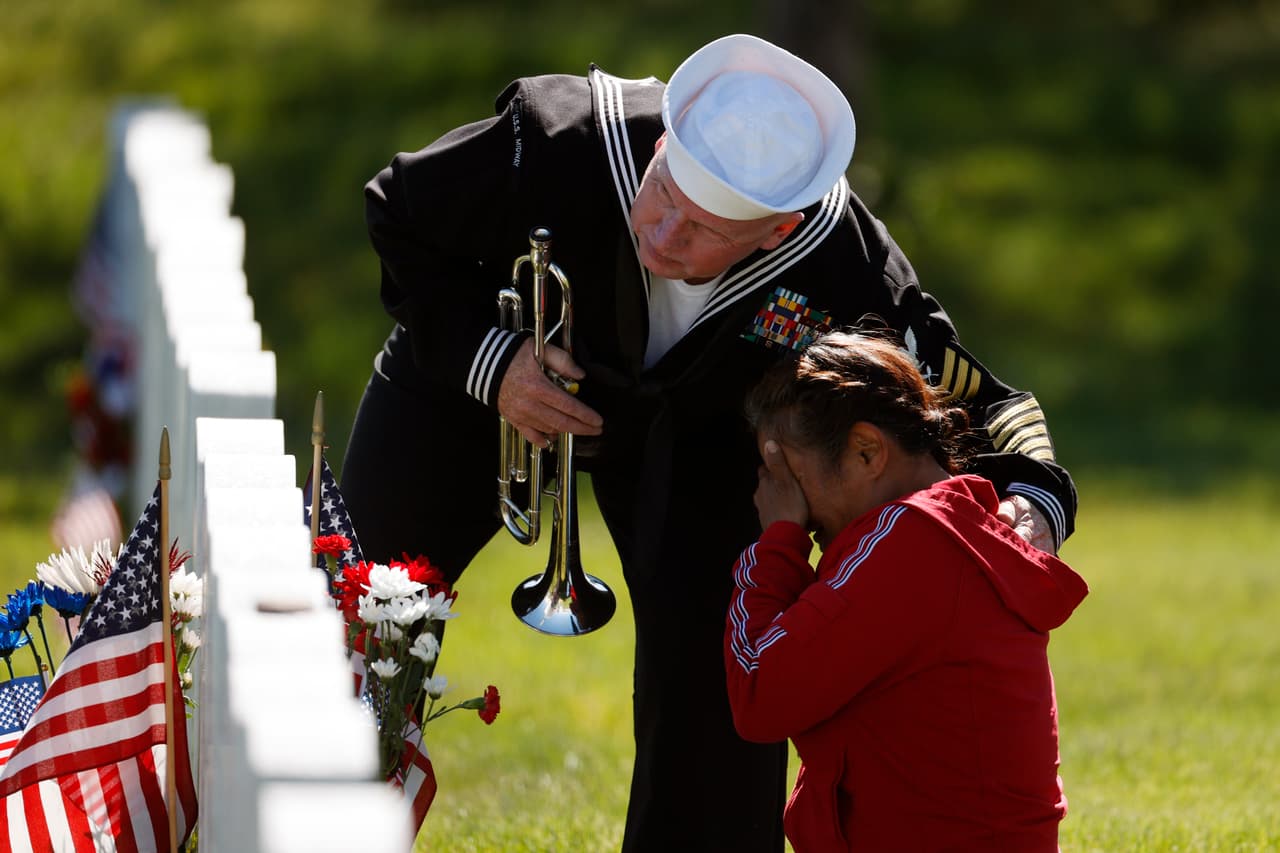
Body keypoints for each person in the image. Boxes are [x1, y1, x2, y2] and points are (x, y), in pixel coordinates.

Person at [340, 33, 1078, 851]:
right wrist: (493, 361)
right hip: (470, 386)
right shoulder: (564, 136)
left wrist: (1036, 499)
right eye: (662, 194)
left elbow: (966, 399)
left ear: (777, 230)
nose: (660, 232)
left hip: (698, 451)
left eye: (700, 229)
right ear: (662, 146)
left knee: (720, 692)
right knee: (362, 608)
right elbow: (397, 209)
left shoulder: (842, 261)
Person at [726, 330, 1088, 851]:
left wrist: (778, 542)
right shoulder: (949, 529)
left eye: (789, 476)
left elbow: (759, 689)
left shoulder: (908, 538)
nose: (788, 504)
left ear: (867, 451)